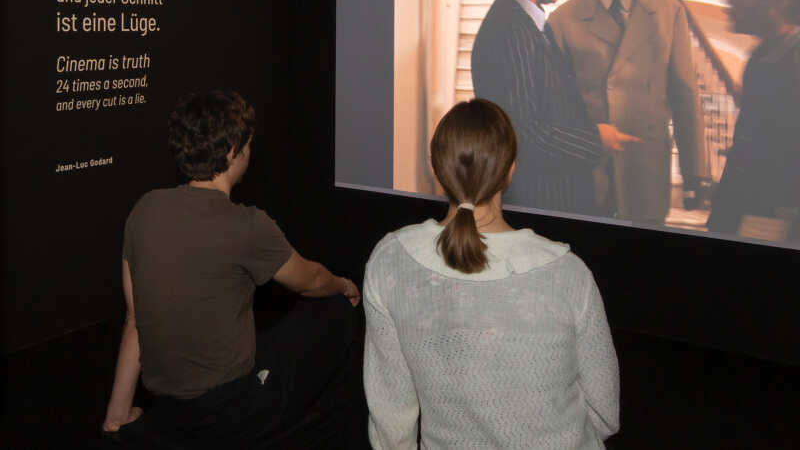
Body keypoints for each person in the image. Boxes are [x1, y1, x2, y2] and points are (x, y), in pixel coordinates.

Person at [102, 90, 361, 444]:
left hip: (168, 404)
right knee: (335, 311)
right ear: (230, 153)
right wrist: (346, 286)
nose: (250, 154)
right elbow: (312, 282)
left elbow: (135, 318)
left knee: (273, 340)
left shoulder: (144, 211)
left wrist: (117, 414)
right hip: (231, 411)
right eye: (248, 145)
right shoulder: (248, 225)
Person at [364, 99, 620, 449]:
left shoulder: (391, 264)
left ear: (437, 169)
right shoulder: (567, 273)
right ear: (510, 169)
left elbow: (392, 425)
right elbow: (604, 412)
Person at [471, 0, 641, 214]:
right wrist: (594, 140)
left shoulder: (528, 21)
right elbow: (522, 134)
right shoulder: (509, 30)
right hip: (541, 202)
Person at [548, 0, 710, 223]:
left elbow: (685, 96)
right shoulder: (564, 20)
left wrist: (695, 173)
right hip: (593, 167)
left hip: (646, 162)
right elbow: (557, 106)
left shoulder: (667, 11)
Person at [707, 0, 800, 240]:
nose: (728, 1)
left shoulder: (792, 62)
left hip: (776, 218)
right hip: (746, 212)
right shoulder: (761, 58)